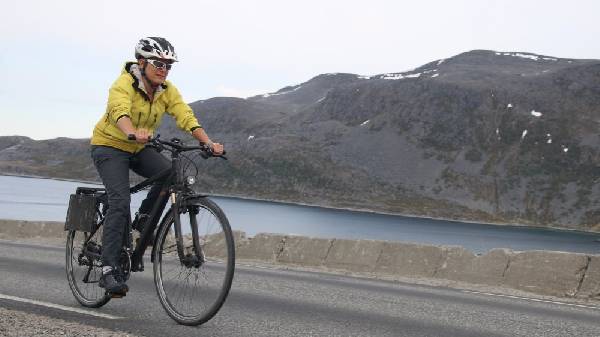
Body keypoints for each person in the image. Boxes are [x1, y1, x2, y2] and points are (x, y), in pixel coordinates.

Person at [90, 37, 223, 295]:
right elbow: (119, 110)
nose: (163, 69)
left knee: (173, 173)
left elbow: (185, 115)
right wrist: (131, 132)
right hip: (109, 146)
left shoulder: (167, 90)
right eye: (158, 63)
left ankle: (142, 222)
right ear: (142, 62)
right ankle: (107, 270)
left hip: (138, 147)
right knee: (119, 201)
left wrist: (208, 143)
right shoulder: (124, 84)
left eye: (168, 65)